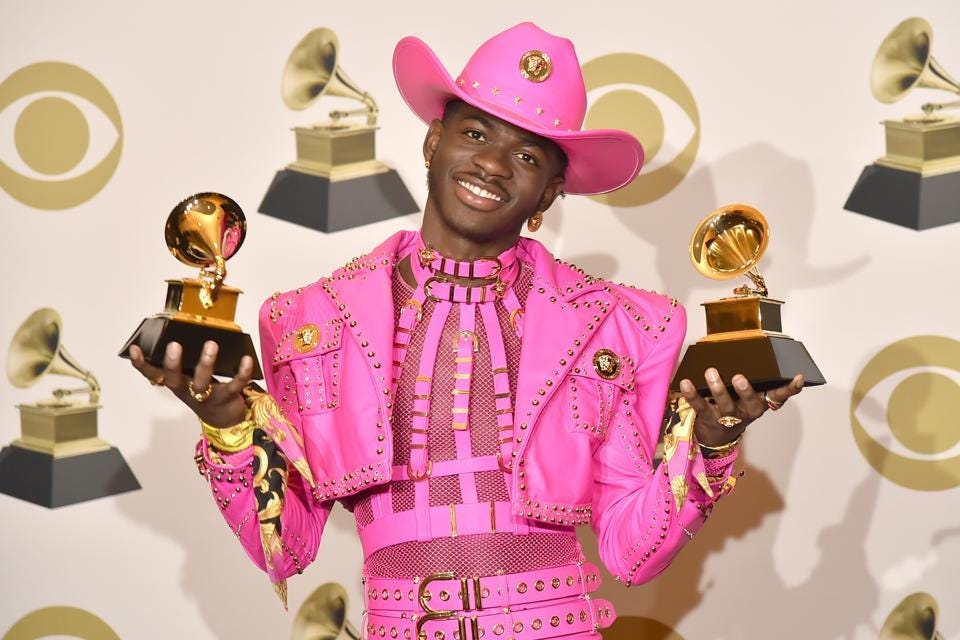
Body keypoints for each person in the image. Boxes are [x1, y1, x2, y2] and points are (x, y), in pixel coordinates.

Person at [128, 22, 803, 640]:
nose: (493, 165)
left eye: (529, 157)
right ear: (432, 140)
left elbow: (633, 552)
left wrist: (713, 442)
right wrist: (226, 427)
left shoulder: (623, 327)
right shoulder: (307, 321)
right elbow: (287, 544)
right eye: (475, 134)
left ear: (549, 195)